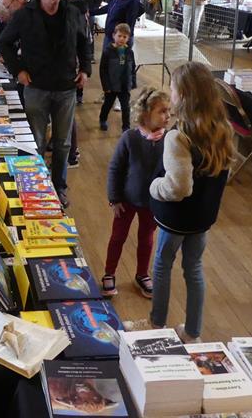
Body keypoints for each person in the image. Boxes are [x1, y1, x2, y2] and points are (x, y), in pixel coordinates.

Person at [145, 62, 233, 343]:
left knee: (162, 264)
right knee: (193, 268)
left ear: (182, 95)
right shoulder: (223, 128)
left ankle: (156, 323)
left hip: (177, 218)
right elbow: (225, 171)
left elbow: (178, 187)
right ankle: (192, 331)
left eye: (171, 89)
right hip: (203, 216)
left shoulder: (178, 136)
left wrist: (153, 186)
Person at [0, 0, 91, 207]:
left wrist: (85, 70)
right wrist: (18, 70)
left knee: (62, 143)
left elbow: (83, 42)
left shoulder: (71, 12)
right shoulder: (25, 15)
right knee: (36, 141)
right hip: (36, 87)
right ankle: (37, 186)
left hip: (65, 87)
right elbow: (4, 42)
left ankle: (59, 187)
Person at [102, 87, 171, 299]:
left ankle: (142, 274)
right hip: (126, 200)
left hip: (152, 203)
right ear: (145, 113)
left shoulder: (170, 140)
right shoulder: (130, 138)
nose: (167, 116)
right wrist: (114, 198)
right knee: (118, 237)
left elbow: (172, 171)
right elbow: (115, 169)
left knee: (146, 238)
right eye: (162, 111)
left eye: (169, 111)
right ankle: (109, 272)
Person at [99, 23, 135, 131]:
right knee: (108, 104)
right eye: (119, 36)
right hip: (111, 84)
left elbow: (132, 68)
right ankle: (103, 119)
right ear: (114, 35)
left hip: (124, 85)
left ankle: (126, 127)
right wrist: (106, 85)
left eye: (125, 37)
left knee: (126, 107)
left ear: (128, 38)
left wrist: (132, 82)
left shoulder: (129, 52)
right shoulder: (107, 52)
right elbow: (103, 70)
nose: (121, 39)